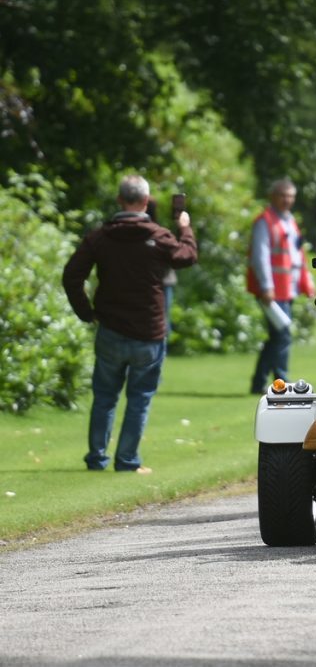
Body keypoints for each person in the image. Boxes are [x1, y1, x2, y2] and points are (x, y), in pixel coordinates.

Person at [62, 174, 198, 472]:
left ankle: (97, 458)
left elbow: (72, 276)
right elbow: (187, 257)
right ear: (146, 202)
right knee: (139, 399)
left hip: (110, 329)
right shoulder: (160, 235)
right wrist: (185, 228)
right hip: (148, 332)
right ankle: (127, 460)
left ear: (119, 200)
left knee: (105, 397)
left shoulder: (100, 236)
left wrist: (87, 312)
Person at [247, 178, 316, 394]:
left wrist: (306, 282)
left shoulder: (289, 221)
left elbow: (297, 256)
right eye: (283, 195)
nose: (287, 200)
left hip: (286, 289)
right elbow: (260, 256)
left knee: (277, 337)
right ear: (273, 197)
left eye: (290, 196)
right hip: (272, 291)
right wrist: (266, 286)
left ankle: (258, 383)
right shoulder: (264, 221)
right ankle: (281, 382)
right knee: (283, 335)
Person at [145, 199, 179, 333]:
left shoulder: (149, 233)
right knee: (163, 317)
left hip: (154, 280)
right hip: (164, 280)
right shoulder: (161, 233)